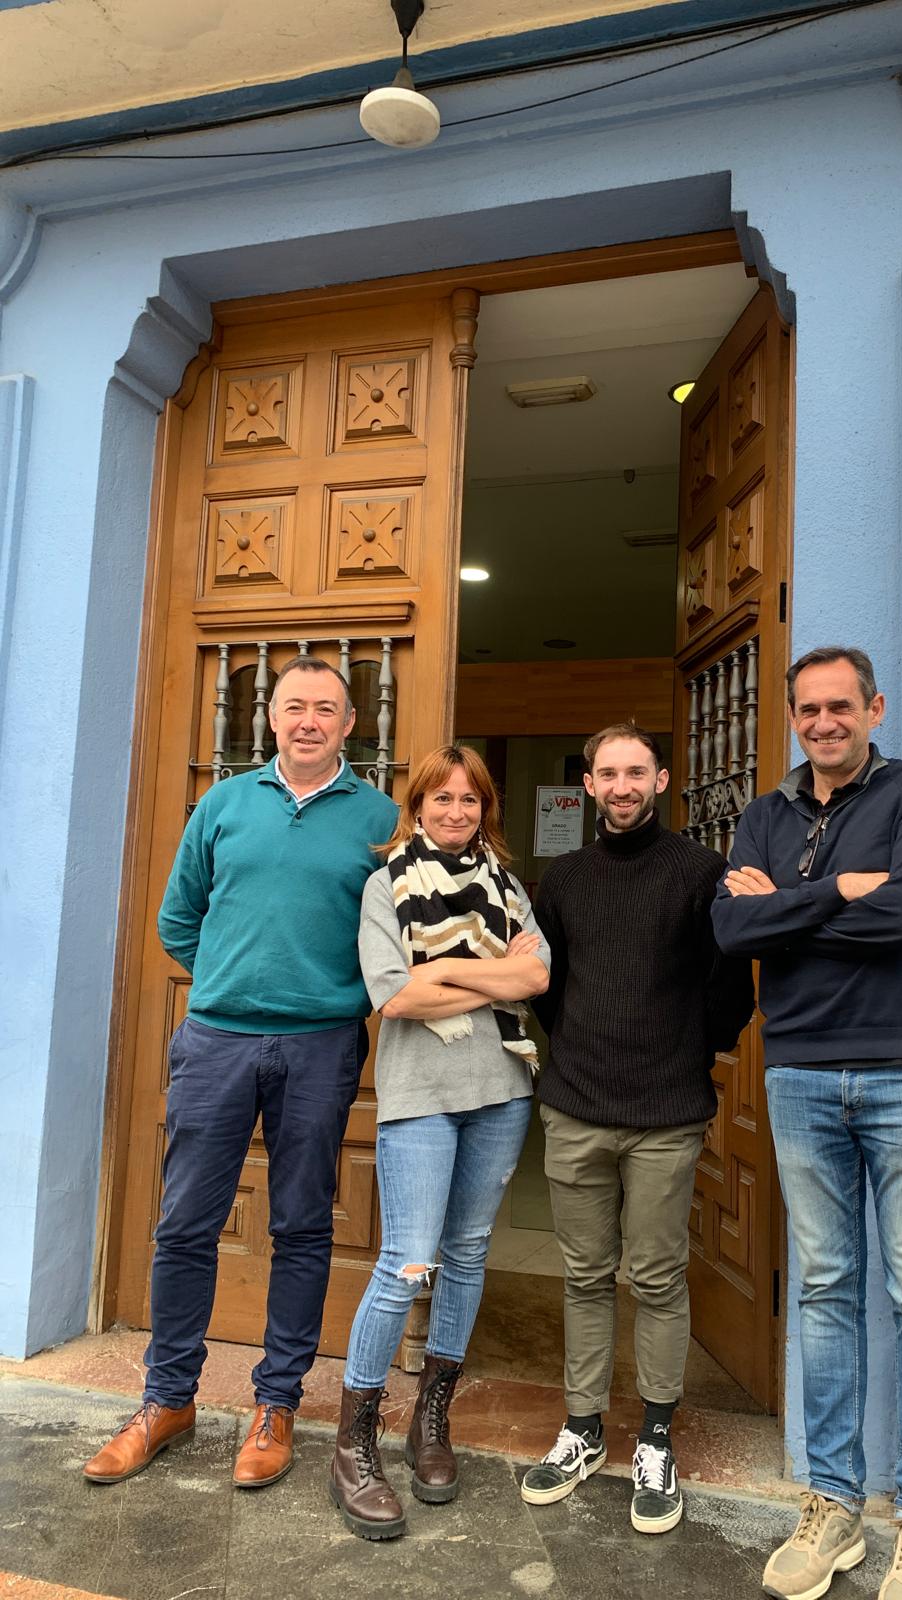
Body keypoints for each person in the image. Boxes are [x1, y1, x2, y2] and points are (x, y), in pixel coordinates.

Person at [84, 656, 399, 1489]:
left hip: (322, 1046)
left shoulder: (380, 819)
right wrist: (230, 981)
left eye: (325, 709)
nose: (308, 721)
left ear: (349, 723)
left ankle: (276, 1404)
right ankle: (166, 1400)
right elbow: (177, 918)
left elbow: (393, 936)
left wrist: (320, 994)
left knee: (302, 1225)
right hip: (216, 1041)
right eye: (294, 707)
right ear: (271, 718)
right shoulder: (223, 804)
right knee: (186, 1223)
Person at [711, 646, 902, 1600]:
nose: (825, 722)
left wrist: (786, 909)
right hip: (802, 1073)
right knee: (824, 1288)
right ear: (791, 716)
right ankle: (833, 1506)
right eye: (809, 709)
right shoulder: (763, 815)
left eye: (841, 706)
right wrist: (838, 890)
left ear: (874, 709)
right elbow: (731, 931)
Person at [519, 724, 754, 1535]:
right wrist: (578, 1047)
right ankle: (583, 1428)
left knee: (655, 1277)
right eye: (607, 773)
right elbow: (544, 983)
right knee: (584, 1275)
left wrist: (688, 1055)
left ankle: (655, 1437)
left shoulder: (699, 872)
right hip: (576, 1108)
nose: (622, 786)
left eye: (636, 772)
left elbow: (731, 986)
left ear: (660, 780)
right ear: (588, 784)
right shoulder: (564, 878)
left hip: (664, 1116)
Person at [329, 743, 549, 1541]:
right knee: (408, 1262)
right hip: (421, 1098)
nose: (456, 811)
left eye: (470, 799)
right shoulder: (385, 886)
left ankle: (431, 1418)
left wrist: (445, 972)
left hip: (502, 1093)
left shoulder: (509, 887)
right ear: (417, 805)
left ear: (485, 808)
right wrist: (489, 971)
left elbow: (535, 979)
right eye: (442, 798)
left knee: (467, 1255)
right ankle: (352, 1443)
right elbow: (394, 997)